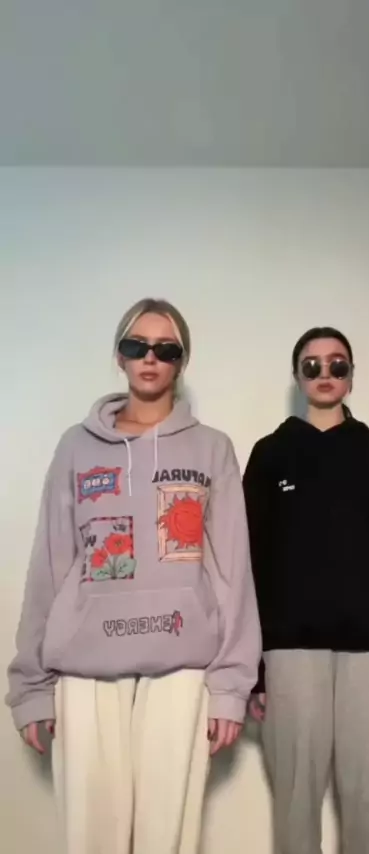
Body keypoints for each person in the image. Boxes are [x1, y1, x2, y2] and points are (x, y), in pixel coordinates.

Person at [7, 297, 261, 854]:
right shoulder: (76, 447)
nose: (150, 357)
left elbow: (232, 570)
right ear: (118, 356)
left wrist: (230, 688)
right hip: (85, 668)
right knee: (91, 839)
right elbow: (49, 563)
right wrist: (30, 688)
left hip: (182, 665)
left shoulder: (212, 448)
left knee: (165, 841)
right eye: (136, 345)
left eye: (165, 349)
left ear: (181, 362)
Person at [243, 326, 369, 854]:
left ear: (351, 377)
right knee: (295, 803)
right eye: (312, 365)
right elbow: (248, 564)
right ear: (297, 375)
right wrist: (251, 668)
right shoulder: (269, 455)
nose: (325, 374)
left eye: (337, 364)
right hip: (288, 652)